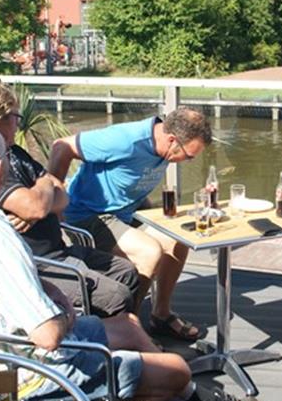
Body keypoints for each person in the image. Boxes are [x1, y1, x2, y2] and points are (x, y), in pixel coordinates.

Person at [0, 120, 259, 401]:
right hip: (27, 376)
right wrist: (64, 313)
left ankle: (188, 400)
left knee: (129, 325)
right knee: (177, 369)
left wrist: (47, 292)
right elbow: (48, 336)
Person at [0, 78, 138, 319]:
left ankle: (116, 331)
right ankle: (101, 336)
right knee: (116, 296)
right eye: (15, 117)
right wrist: (44, 187)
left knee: (126, 271)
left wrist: (41, 203)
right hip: (36, 265)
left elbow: (62, 195)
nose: (18, 123)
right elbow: (34, 206)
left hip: (58, 250)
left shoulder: (15, 153)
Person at [49, 108, 212, 341]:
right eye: (188, 156)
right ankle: (128, 329)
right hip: (89, 215)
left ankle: (160, 315)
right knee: (149, 252)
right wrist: (52, 207)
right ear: (171, 140)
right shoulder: (125, 140)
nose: (187, 161)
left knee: (177, 239)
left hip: (127, 213)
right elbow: (61, 146)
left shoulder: (164, 145)